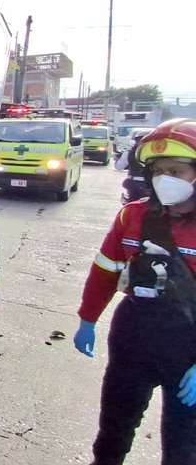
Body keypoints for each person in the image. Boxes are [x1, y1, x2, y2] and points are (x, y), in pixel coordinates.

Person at [73, 118, 196, 465]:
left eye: (176, 170)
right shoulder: (132, 217)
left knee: (183, 445)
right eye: (158, 171)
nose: (165, 179)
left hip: (188, 346)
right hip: (134, 336)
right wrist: (87, 318)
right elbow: (105, 271)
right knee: (113, 430)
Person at [116, 128, 153, 203]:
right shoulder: (158, 154)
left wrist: (117, 159)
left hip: (134, 184)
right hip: (150, 186)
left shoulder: (129, 153)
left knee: (131, 206)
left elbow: (119, 167)